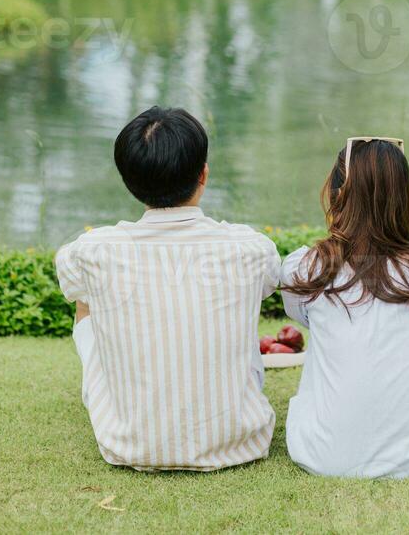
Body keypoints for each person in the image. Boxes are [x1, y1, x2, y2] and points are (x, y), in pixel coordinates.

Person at [55, 106, 280, 472]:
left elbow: (70, 280)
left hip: (128, 445)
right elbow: (270, 282)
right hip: (241, 443)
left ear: (129, 182)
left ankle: (132, 405)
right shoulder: (250, 248)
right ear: (203, 174)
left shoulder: (94, 251)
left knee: (86, 298)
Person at [281, 137, 409, 479]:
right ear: (403, 198)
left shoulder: (307, 268)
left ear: (335, 195)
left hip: (324, 455)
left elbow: (299, 314)